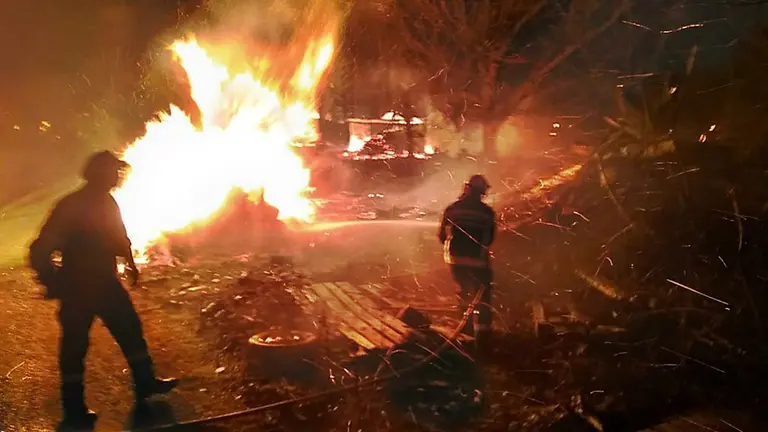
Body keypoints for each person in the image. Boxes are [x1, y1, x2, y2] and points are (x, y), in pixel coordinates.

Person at [28, 150, 179, 429]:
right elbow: (40, 249)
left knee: (130, 331)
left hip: (105, 283)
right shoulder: (71, 206)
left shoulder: (107, 201)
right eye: (111, 171)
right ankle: (74, 410)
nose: (116, 176)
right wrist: (53, 281)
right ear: (98, 173)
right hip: (78, 288)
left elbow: (118, 236)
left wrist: (130, 263)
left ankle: (145, 383)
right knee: (75, 347)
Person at [438, 174, 496, 345]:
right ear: (482, 192)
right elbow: (490, 238)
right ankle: (484, 334)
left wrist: (452, 251)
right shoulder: (487, 213)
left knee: (463, 291)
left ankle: (466, 329)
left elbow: (442, 235)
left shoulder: (452, 209)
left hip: (455, 259)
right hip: (477, 260)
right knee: (482, 295)